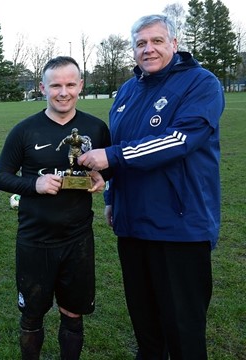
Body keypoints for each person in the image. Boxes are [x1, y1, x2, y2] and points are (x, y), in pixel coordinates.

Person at [77, 14, 224, 359]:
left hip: (179, 226)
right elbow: (121, 143)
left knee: (184, 331)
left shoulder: (200, 83)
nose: (149, 49)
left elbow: (178, 140)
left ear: (174, 44)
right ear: (133, 50)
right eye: (141, 43)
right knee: (146, 328)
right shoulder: (128, 90)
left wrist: (111, 157)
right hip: (133, 224)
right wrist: (112, 197)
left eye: (157, 41)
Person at [0, 56, 111, 359]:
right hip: (35, 240)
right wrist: (34, 184)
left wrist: (102, 179)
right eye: (55, 85)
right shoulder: (24, 130)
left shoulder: (95, 128)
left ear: (80, 86)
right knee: (32, 316)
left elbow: (108, 169)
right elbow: (0, 176)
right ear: (42, 87)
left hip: (78, 240)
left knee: (73, 315)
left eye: (70, 84)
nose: (63, 92)